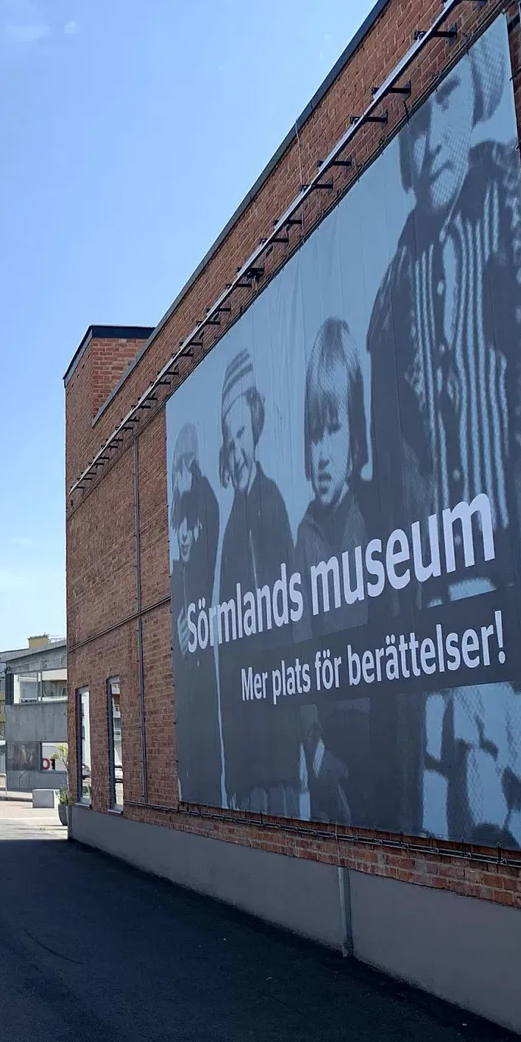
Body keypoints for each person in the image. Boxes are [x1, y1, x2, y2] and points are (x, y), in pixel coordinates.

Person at [366, 35, 521, 856]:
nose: (430, 140)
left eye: (446, 105)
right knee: (450, 792)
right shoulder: (398, 273)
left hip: (514, 579)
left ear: (475, 106)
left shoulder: (502, 194)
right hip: (437, 590)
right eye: (415, 131)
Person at [292, 318, 373, 825]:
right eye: (313, 433)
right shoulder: (304, 535)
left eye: (333, 429)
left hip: (377, 738)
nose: (321, 453)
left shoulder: (373, 516)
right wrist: (317, 751)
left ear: (355, 434)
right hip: (329, 743)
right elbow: (300, 652)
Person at [215, 348, 297, 815]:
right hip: (245, 752)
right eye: (229, 438)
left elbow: (281, 618)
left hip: (276, 746)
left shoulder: (272, 504)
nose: (236, 448)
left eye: (241, 433)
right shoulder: (231, 522)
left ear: (256, 430)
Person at [168, 421, 222, 806]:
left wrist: (193, 477)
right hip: (184, 718)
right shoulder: (176, 573)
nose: (185, 535)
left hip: (204, 702)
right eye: (181, 527)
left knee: (207, 782)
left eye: (192, 527)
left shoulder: (202, 566)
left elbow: (211, 513)